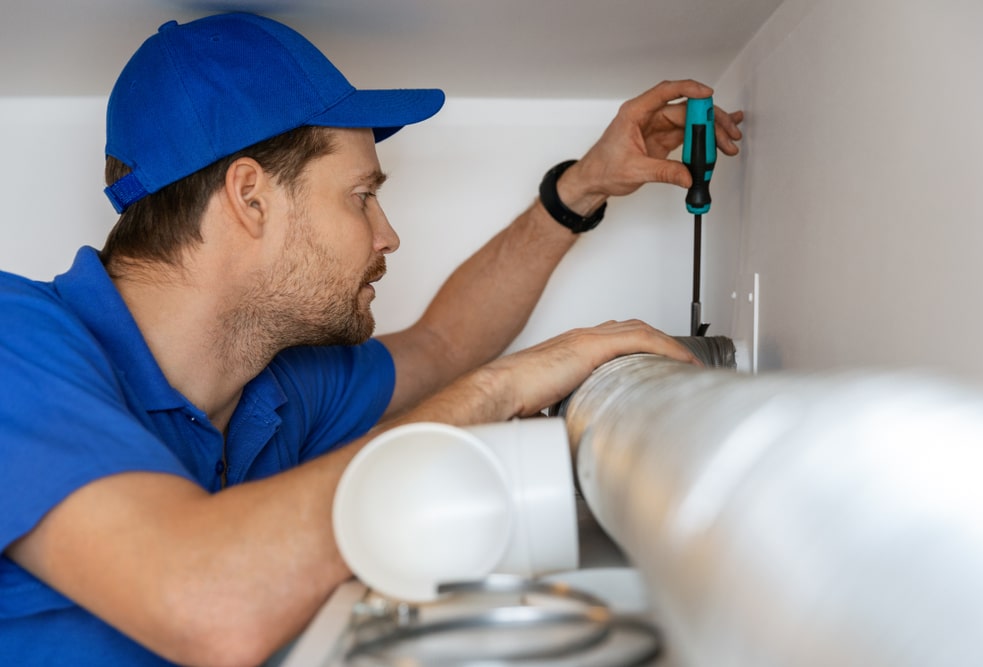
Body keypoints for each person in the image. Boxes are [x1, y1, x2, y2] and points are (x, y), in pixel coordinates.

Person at [0, 12, 743, 667]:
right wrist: (495, 390)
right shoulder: (16, 343)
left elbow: (447, 340)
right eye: (363, 196)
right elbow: (209, 604)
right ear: (250, 196)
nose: (388, 234)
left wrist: (580, 187)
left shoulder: (275, 385)